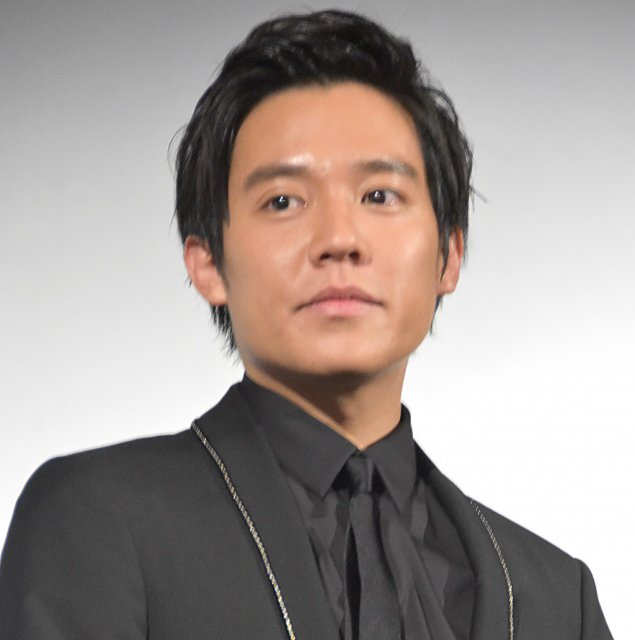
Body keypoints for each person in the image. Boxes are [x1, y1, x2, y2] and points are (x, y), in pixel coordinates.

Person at [0, 9, 613, 640]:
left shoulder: (555, 598)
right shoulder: (98, 522)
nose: (339, 239)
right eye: (283, 201)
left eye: (379, 195)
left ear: (449, 256)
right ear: (207, 263)